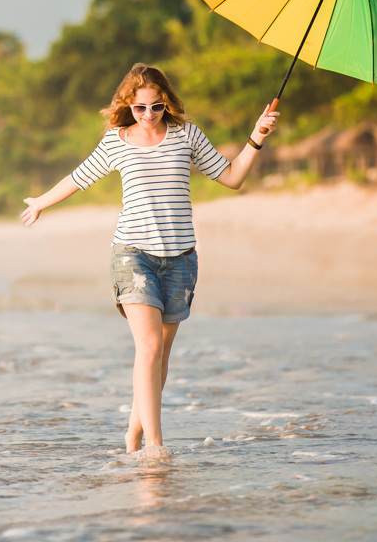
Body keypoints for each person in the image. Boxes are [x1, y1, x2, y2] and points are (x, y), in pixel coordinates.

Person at [20, 63, 279, 453]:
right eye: (140, 108)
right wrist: (40, 202)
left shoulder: (185, 135)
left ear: (166, 104)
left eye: (155, 107)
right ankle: (156, 448)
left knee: (161, 357)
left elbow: (231, 177)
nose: (147, 116)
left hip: (181, 259)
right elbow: (78, 178)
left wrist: (256, 137)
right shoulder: (116, 141)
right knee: (150, 347)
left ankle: (134, 433)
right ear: (128, 105)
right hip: (132, 256)